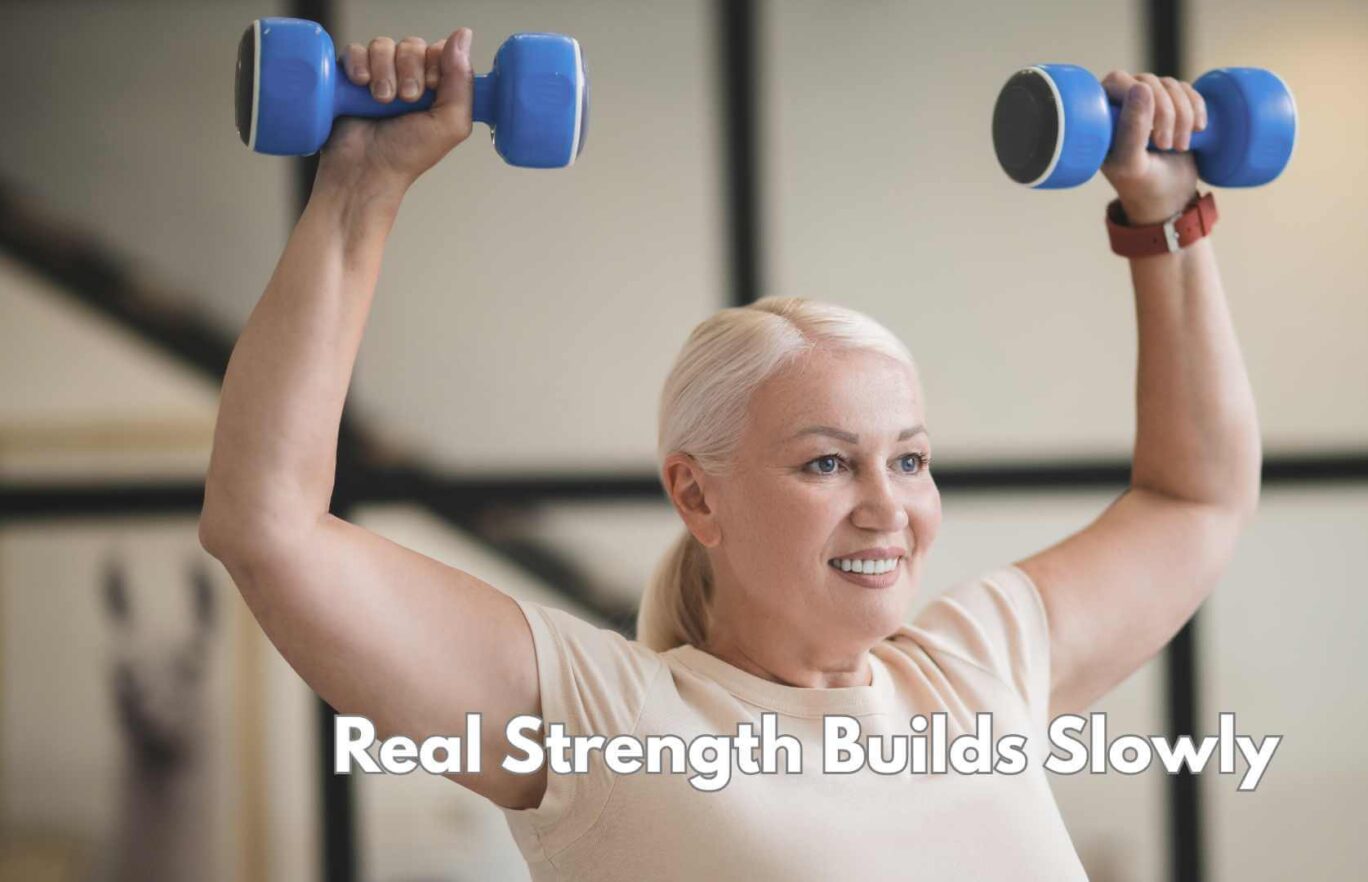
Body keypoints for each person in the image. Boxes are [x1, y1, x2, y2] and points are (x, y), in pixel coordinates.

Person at [199, 26, 1261, 881]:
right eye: (824, 464)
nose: (886, 509)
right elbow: (269, 528)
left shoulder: (978, 672)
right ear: (695, 496)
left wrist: (1164, 215)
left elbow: (1193, 498)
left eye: (909, 459)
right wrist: (359, 186)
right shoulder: (610, 726)